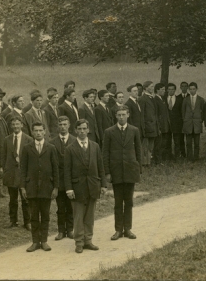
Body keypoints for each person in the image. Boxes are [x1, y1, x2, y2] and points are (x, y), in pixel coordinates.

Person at [64, 119, 107, 254]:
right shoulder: (70, 149)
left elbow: (100, 167)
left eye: (84, 129)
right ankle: (79, 242)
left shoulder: (95, 146)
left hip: (93, 186)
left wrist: (103, 185)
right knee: (78, 216)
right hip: (77, 188)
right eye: (79, 129)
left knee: (90, 216)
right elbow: (67, 171)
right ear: (75, 130)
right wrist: (69, 188)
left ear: (88, 130)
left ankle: (88, 240)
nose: (82, 131)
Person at [103, 105, 142, 240]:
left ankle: (128, 229)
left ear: (128, 115)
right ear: (115, 116)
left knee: (129, 202)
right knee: (118, 202)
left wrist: (138, 169)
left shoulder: (134, 130)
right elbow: (105, 153)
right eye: (119, 115)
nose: (121, 117)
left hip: (130, 171)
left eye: (123, 114)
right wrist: (107, 172)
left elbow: (138, 150)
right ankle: (118, 230)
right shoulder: (109, 132)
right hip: (116, 172)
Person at [20, 122, 59, 252]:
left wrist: (55, 187)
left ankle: (44, 241)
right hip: (31, 187)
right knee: (34, 216)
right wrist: (23, 187)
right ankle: (35, 241)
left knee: (45, 215)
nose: (38, 133)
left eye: (40, 130)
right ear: (32, 132)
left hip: (46, 187)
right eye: (35, 130)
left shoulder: (51, 147)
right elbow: (23, 169)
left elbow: (55, 169)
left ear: (44, 132)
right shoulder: (26, 148)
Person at [2, 116, 32, 230]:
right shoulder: (7, 140)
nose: (15, 126)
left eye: (17, 124)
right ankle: (13, 220)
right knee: (12, 199)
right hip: (11, 174)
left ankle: (27, 221)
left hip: (23, 174)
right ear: (11, 126)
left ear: (22, 125)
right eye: (13, 124)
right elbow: (4, 156)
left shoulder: (28, 139)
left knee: (25, 199)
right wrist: (5, 170)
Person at [49, 116, 76, 240]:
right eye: (60, 125)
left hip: (71, 180)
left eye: (65, 124)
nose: (63, 127)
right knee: (60, 207)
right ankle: (61, 230)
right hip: (59, 180)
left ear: (69, 125)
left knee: (70, 206)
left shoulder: (74, 141)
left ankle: (70, 229)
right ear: (57, 126)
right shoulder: (52, 142)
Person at [181, 82, 205, 162]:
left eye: (193, 89)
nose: (192, 91)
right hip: (188, 123)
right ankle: (189, 157)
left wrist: (200, 120)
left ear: (196, 89)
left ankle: (196, 157)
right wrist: (185, 120)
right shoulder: (185, 99)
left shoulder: (201, 99)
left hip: (197, 123)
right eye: (190, 89)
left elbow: (203, 111)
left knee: (197, 143)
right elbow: (183, 111)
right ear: (188, 89)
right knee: (188, 142)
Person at [138, 81, 158, 166]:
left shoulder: (152, 98)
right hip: (147, 126)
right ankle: (144, 162)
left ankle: (148, 161)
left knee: (151, 145)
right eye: (151, 87)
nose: (152, 88)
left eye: (153, 87)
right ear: (145, 88)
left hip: (153, 126)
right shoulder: (143, 99)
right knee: (145, 146)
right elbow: (141, 115)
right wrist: (143, 128)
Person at [153, 83, 170, 162]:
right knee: (159, 143)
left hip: (165, 125)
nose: (164, 91)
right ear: (157, 90)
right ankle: (157, 160)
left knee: (163, 143)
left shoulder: (162, 99)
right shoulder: (155, 100)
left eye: (164, 89)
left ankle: (161, 159)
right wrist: (159, 126)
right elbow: (156, 114)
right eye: (162, 89)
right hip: (161, 126)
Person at [166, 83, 184, 159]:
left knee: (177, 141)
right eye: (169, 89)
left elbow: (182, 112)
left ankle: (177, 156)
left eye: (172, 89)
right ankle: (168, 156)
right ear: (167, 90)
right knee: (167, 141)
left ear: (175, 90)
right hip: (167, 124)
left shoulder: (180, 99)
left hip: (177, 124)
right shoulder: (164, 99)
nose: (171, 91)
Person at [176, 82, 189, 157]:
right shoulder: (177, 98)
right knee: (181, 138)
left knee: (189, 138)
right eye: (182, 86)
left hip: (189, 121)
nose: (184, 88)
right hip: (180, 121)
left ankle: (189, 153)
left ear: (187, 88)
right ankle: (182, 153)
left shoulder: (190, 97)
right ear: (180, 87)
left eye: (185, 86)